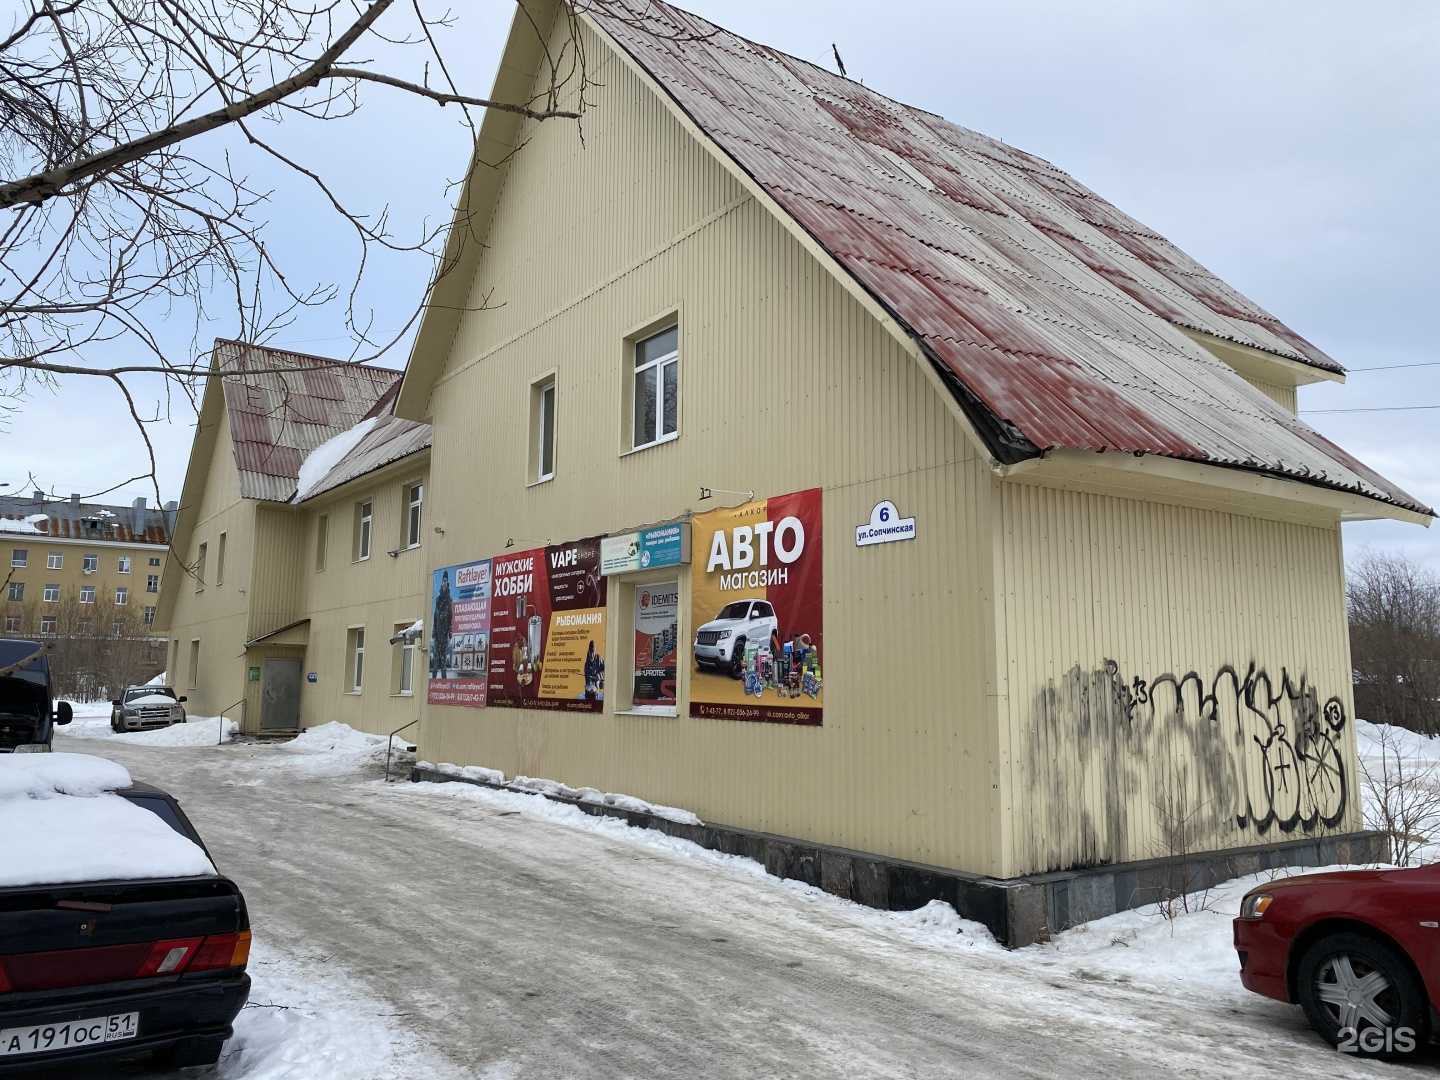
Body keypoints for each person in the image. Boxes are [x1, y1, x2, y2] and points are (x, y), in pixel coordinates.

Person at [431, 572, 453, 678]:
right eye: (443, 580)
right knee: (436, 659)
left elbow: (451, 617)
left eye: (445, 580)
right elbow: (435, 616)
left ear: (447, 582)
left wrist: (450, 630)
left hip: (444, 633)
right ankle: (434, 681)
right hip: (437, 632)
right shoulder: (437, 599)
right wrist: (433, 631)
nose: (444, 582)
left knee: (443, 659)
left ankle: (444, 682)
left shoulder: (449, 600)